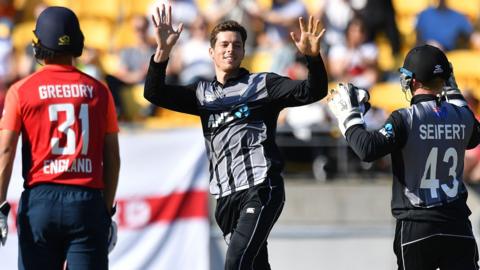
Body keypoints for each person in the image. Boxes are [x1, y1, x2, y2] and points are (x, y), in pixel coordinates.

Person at [144, 4, 328, 269]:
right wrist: (162, 52)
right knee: (254, 265)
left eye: (237, 45)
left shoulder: (263, 85)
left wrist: (313, 58)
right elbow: (154, 93)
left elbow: (314, 91)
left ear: (243, 51)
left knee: (236, 262)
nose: (230, 49)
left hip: (260, 188)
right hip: (225, 197)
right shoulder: (202, 94)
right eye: (224, 45)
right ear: (211, 52)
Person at [328, 44, 480, 269]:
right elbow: (474, 137)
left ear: (414, 82)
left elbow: (368, 149)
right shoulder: (463, 116)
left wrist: (349, 116)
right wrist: (453, 88)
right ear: (445, 80)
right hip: (456, 224)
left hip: (417, 224)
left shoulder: (405, 118)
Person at [0, 6, 120, 270]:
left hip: (40, 200)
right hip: (86, 201)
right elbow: (112, 157)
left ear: (38, 45)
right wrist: (106, 211)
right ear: (78, 43)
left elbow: (5, 152)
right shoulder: (100, 91)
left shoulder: (20, 91)